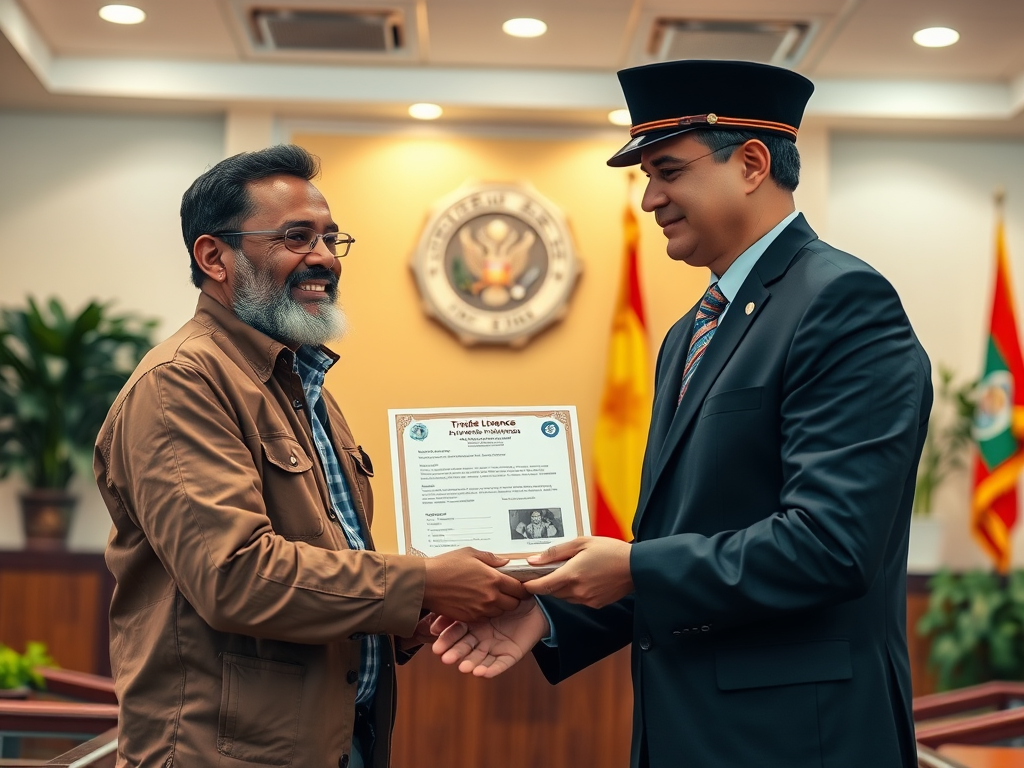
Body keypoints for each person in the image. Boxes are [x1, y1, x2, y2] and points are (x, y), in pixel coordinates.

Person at [433, 60, 932, 768]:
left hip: (799, 739)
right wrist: (546, 614)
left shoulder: (842, 301)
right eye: (646, 177)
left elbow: (831, 546)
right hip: (690, 731)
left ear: (752, 163)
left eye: (668, 170)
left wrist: (635, 567)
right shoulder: (691, 331)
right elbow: (686, 540)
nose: (649, 199)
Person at [93, 144, 528, 768]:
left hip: (335, 739)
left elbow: (332, 560)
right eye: (296, 237)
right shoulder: (181, 382)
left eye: (331, 238)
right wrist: (421, 584)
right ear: (214, 256)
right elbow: (235, 577)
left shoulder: (298, 380)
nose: (323, 258)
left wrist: (420, 607)